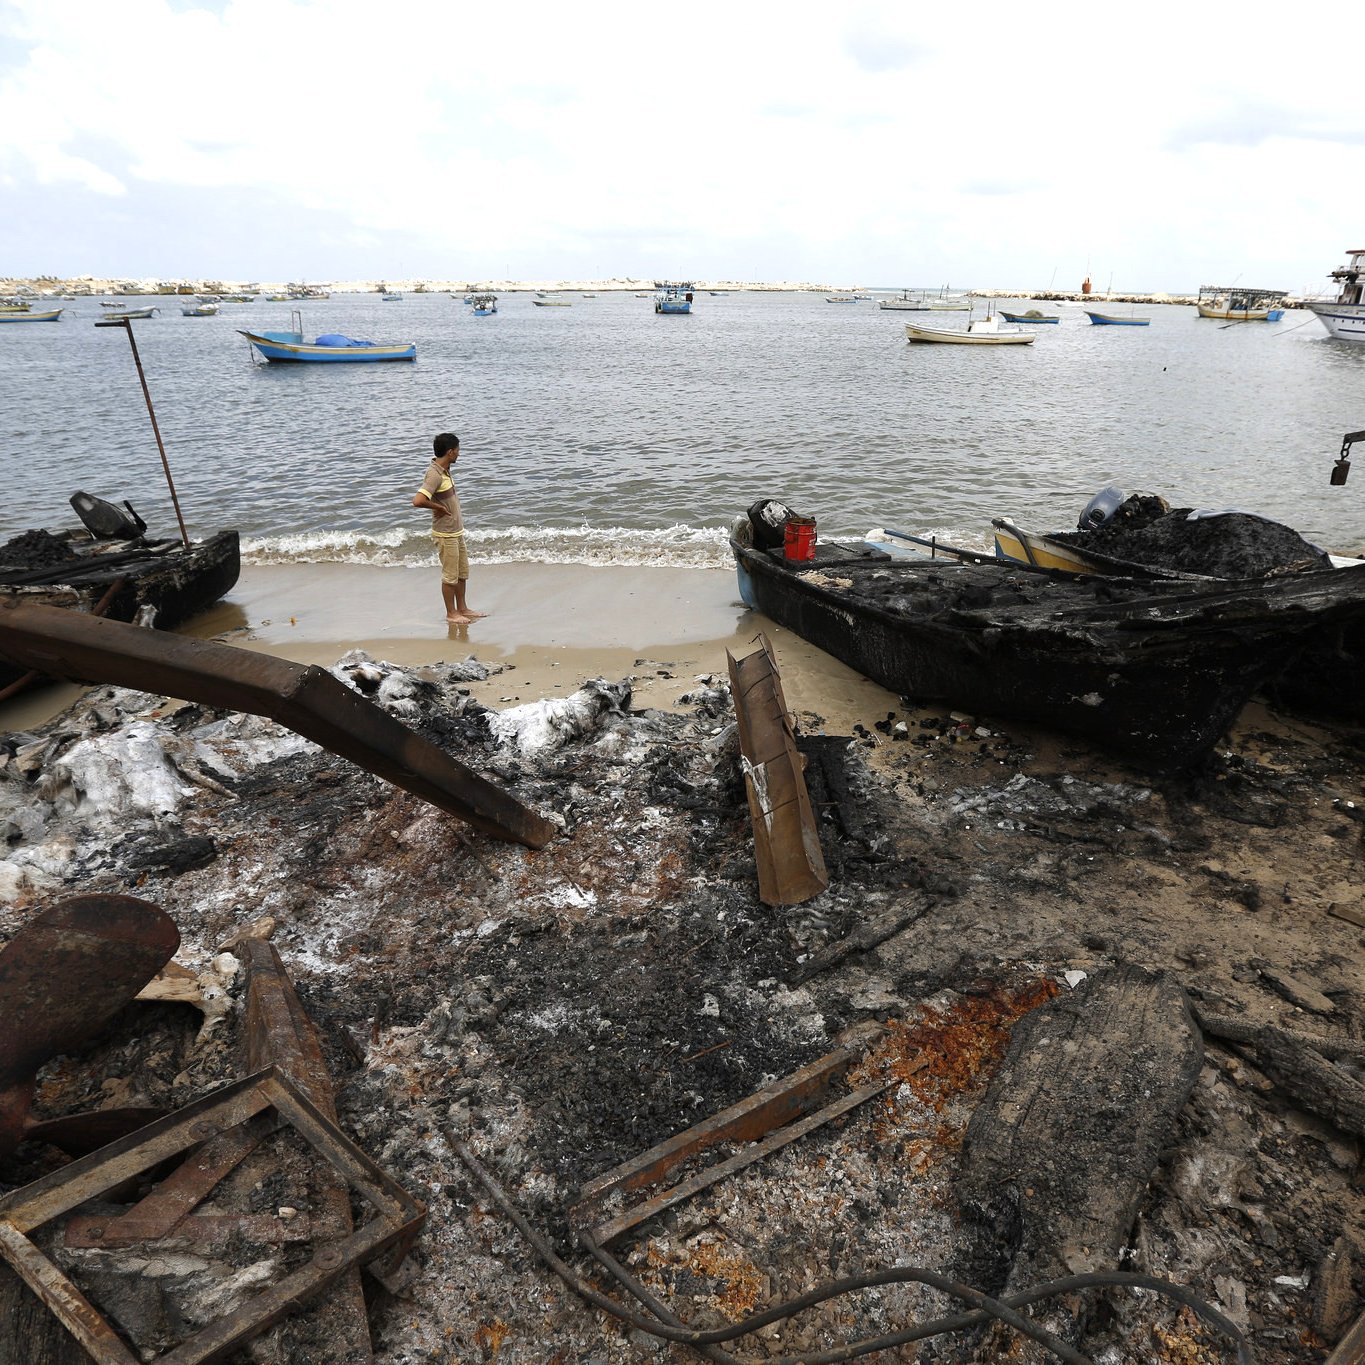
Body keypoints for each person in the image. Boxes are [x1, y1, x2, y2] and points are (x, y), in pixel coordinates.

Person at [412, 432, 487, 624]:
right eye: (458, 450)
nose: (460, 454)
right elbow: (418, 501)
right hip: (445, 534)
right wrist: (438, 507)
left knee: (462, 573)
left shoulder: (445, 470)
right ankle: (451, 613)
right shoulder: (434, 474)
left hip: (456, 531)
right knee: (450, 576)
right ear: (451, 452)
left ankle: (463, 608)